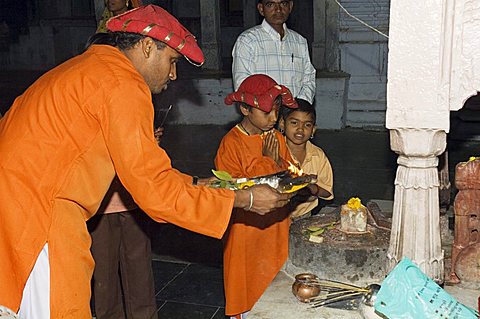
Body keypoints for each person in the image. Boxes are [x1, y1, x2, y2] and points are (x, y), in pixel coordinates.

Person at [0, 5, 293, 319]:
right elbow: (154, 190)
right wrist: (244, 199)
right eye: (172, 61)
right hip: (41, 215)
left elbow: (142, 170)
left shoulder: (93, 67)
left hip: (22, 202)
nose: (173, 74)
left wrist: (197, 185)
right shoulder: (123, 84)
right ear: (147, 45)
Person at [89, 1, 158, 318]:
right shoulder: (88, 98)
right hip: (99, 202)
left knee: (139, 271)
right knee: (102, 278)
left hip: (132, 199)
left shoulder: (135, 94)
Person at [215, 74, 298, 319]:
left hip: (276, 228)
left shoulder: (276, 139)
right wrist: (266, 162)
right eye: (266, 113)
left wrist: (278, 163)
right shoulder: (230, 143)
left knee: (277, 283)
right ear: (245, 109)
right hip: (246, 232)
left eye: (277, 111)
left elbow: (290, 175)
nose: (274, 119)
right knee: (247, 285)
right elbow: (235, 189)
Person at [232, 0, 316, 104]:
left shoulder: (299, 41)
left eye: (283, 3)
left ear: (290, 6)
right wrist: (269, 112)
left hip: (294, 115)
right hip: (263, 116)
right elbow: (242, 85)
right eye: (270, 4)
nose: (278, 9)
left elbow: (309, 79)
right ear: (261, 9)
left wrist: (296, 109)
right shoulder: (248, 41)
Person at [279, 98, 334, 220]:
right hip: (276, 216)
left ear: (313, 130)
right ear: (282, 124)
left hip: (304, 216)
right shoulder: (275, 150)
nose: (300, 129)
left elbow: (328, 192)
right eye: (294, 123)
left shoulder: (318, 156)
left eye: (307, 125)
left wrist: (312, 189)